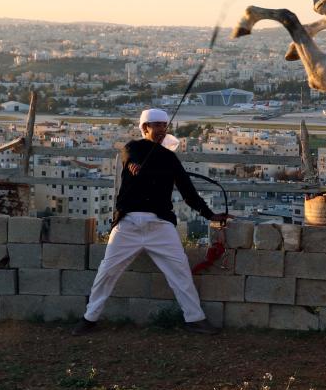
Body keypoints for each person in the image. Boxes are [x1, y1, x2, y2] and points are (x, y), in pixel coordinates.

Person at [72, 108, 231, 336]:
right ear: (145, 128)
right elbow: (131, 158)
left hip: (160, 225)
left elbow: (188, 191)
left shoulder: (170, 158)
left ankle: (195, 319)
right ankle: (89, 318)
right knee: (107, 272)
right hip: (128, 224)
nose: (161, 129)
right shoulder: (133, 148)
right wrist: (136, 164)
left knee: (180, 273)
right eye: (156, 125)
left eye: (164, 126)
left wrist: (210, 215)